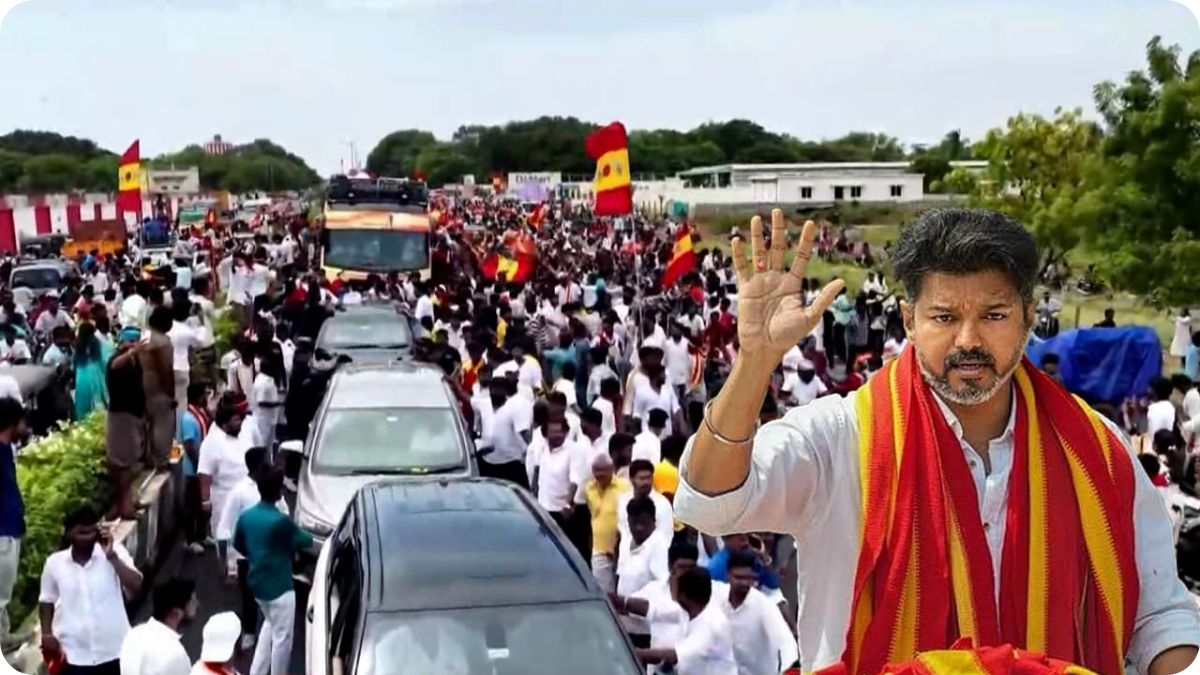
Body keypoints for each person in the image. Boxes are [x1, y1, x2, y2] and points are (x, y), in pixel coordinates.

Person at [675, 209, 1200, 674]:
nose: (968, 340)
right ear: (909, 320)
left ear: (1027, 318)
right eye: (944, 317)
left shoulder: (1098, 452)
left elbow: (1160, 615)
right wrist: (753, 362)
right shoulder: (840, 437)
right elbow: (711, 502)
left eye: (993, 315)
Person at [39, 506, 143, 675]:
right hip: (74, 656)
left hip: (116, 652)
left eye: (91, 532)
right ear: (69, 534)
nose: (88, 538)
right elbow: (46, 600)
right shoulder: (54, 564)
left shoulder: (114, 552)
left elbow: (137, 586)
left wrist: (112, 558)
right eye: (82, 533)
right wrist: (46, 633)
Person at [233, 467, 315, 675]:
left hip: (258, 586)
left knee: (269, 627)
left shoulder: (247, 517)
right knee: (282, 639)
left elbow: (239, 544)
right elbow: (306, 541)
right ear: (279, 491)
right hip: (280, 587)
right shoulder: (281, 521)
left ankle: (257, 672)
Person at [218, 446, 286, 650]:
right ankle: (249, 632)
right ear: (257, 466)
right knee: (249, 597)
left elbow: (284, 514)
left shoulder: (272, 487)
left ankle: (270, 632)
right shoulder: (239, 492)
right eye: (267, 460)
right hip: (247, 556)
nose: (271, 463)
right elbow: (225, 526)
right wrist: (225, 561)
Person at [631, 567, 738, 674]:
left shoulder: (713, 624)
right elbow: (654, 610)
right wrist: (623, 602)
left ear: (683, 595)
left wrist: (634, 653)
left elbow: (675, 655)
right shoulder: (689, 610)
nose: (671, 584)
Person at [713, 550, 798, 675]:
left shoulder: (764, 605)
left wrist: (785, 669)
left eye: (748, 578)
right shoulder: (716, 595)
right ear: (728, 576)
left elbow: (786, 643)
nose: (744, 583)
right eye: (739, 577)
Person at [615, 494, 669, 649]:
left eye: (643, 523)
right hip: (625, 626)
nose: (638, 528)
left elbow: (662, 587)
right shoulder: (626, 541)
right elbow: (620, 574)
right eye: (634, 523)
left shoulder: (660, 546)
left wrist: (630, 604)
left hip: (647, 631)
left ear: (654, 521)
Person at [106, 328, 146, 521]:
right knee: (122, 465)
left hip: (133, 416)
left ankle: (127, 501)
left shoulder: (134, 361)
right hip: (122, 417)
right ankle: (124, 507)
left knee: (131, 463)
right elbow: (114, 366)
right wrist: (131, 352)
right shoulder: (118, 359)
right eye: (134, 341)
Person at [118, 579, 196, 675]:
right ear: (176, 613)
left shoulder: (133, 634)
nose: (197, 605)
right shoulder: (176, 654)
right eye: (192, 602)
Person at [0, 397, 25, 647]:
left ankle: (4, 637)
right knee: (0, 594)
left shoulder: (6, 450)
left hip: (10, 530)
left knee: (4, 592)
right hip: (3, 533)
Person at [586, 452, 630, 593]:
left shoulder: (625, 487)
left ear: (611, 469)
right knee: (603, 592)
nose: (598, 474)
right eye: (596, 470)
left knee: (623, 589)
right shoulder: (589, 488)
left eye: (602, 470)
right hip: (599, 547)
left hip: (621, 547)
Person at [141, 307, 177, 472]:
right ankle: (162, 460)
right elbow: (165, 368)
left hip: (142, 386)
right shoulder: (162, 341)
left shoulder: (144, 336)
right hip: (157, 387)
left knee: (148, 425)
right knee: (163, 424)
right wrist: (170, 392)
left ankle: (149, 459)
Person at [179, 383, 211, 554]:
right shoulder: (188, 418)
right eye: (205, 394)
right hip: (193, 470)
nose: (207, 397)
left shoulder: (201, 414)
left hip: (202, 468)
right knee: (191, 506)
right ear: (198, 396)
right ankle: (190, 540)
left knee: (201, 505)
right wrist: (201, 465)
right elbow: (190, 445)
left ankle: (201, 535)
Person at [73, 322, 111, 420]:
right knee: (98, 394)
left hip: (81, 373)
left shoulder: (76, 344)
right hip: (95, 371)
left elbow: (75, 362)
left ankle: (83, 418)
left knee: (83, 397)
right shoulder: (95, 342)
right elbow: (102, 360)